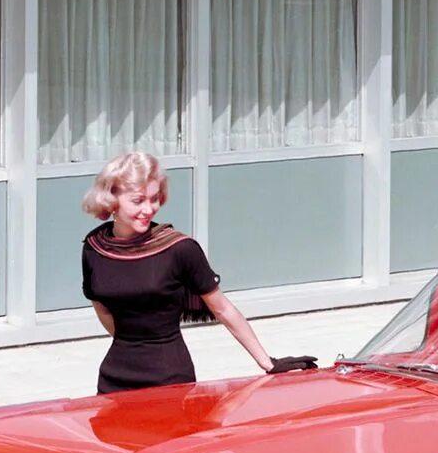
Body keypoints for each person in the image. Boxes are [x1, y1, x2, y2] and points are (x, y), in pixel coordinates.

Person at [81, 150, 315, 394]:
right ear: (111, 199)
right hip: (114, 377)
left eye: (155, 198)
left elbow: (223, 309)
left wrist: (268, 362)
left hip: (168, 377)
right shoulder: (95, 248)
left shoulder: (179, 249)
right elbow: (102, 308)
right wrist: (132, 344)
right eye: (138, 201)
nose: (149, 209)